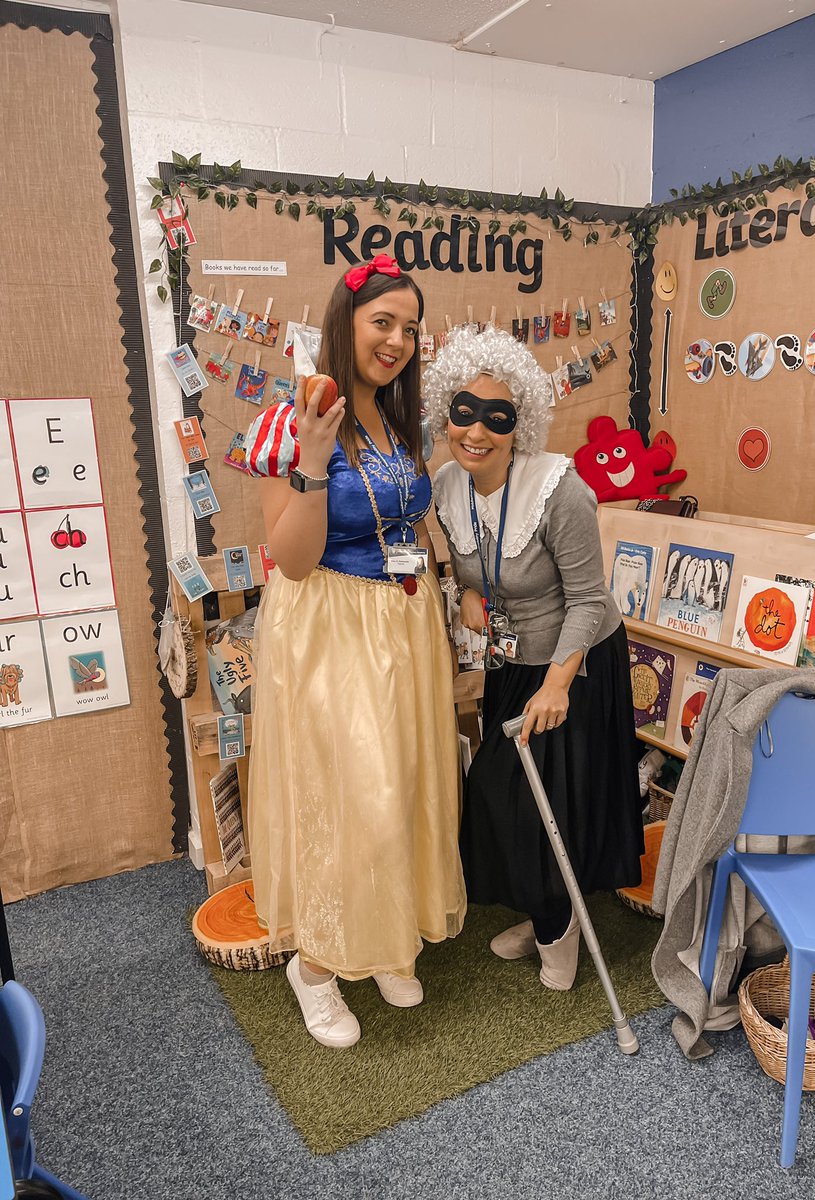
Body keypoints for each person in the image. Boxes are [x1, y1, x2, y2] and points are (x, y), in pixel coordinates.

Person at [244, 256, 465, 1049]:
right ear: (346, 322)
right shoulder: (291, 417)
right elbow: (293, 560)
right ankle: (318, 966)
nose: (398, 340)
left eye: (410, 328)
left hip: (400, 627)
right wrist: (308, 462)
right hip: (328, 624)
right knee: (346, 797)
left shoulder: (398, 421)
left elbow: (405, 525)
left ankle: (386, 938)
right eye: (384, 323)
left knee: (401, 781)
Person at [423, 325, 643, 991]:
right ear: (445, 413)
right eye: (464, 412)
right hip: (507, 664)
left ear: (521, 422)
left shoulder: (560, 490)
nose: (477, 432)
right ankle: (546, 908)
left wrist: (556, 687)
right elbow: (468, 565)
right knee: (504, 798)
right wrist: (464, 589)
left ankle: (558, 926)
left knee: (542, 805)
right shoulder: (446, 487)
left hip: (575, 665)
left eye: (498, 417)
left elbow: (587, 599)